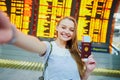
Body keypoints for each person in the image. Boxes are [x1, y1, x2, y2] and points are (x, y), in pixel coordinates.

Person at [0, 11, 96, 80]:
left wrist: (88, 71)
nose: (67, 32)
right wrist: (14, 35)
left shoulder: (78, 53)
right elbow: (36, 45)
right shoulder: (50, 47)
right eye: (63, 27)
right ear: (57, 28)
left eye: (71, 30)